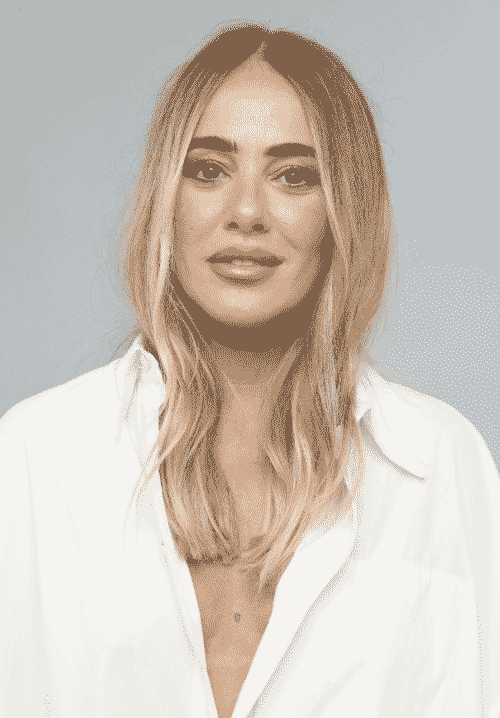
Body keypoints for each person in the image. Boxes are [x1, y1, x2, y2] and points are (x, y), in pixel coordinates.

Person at [1, 20, 499, 718]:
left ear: (343, 210)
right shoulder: (32, 460)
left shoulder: (441, 465)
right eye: (208, 169)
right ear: (166, 199)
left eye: (294, 176)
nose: (245, 212)